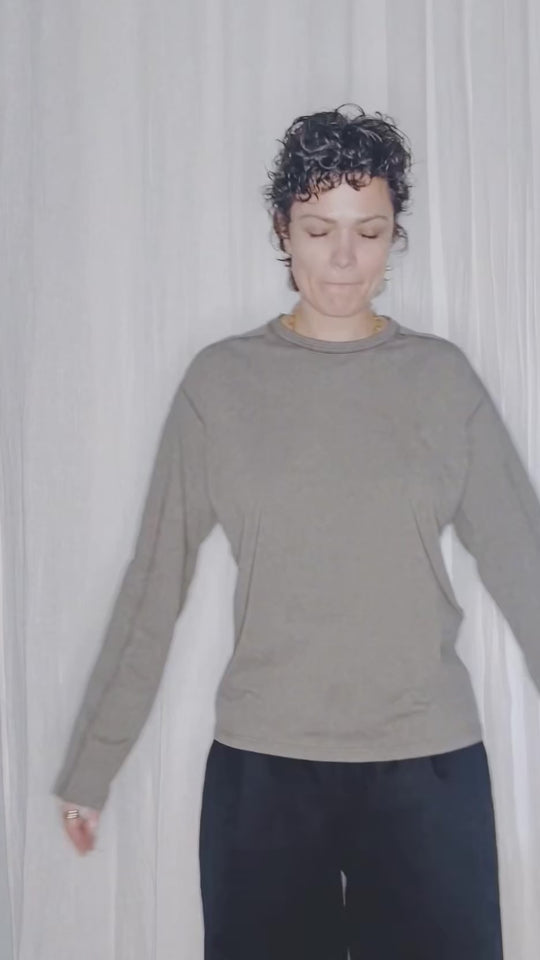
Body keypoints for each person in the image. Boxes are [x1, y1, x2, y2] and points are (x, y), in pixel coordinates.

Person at [53, 101, 540, 959]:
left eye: (369, 231)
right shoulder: (222, 385)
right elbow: (154, 580)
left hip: (426, 768)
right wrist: (94, 762)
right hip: (265, 774)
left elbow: (524, 563)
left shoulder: (441, 380)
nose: (345, 258)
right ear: (282, 229)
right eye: (319, 230)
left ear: (395, 235)